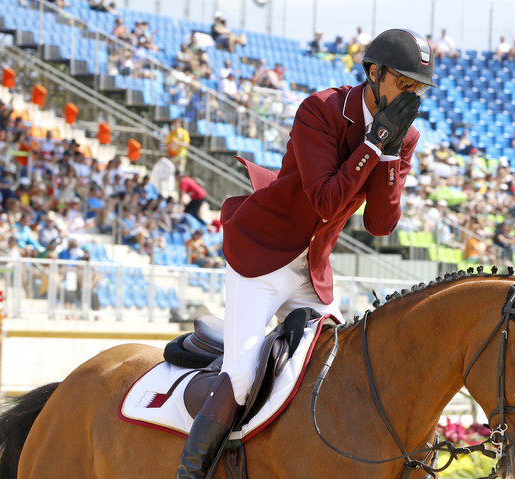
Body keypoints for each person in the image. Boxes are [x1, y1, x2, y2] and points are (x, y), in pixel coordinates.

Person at [175, 29, 430, 478]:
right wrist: (373, 146)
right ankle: (192, 471)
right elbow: (327, 202)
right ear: (374, 73)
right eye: (404, 82)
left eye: (418, 87)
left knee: (340, 370)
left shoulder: (402, 137)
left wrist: (390, 154)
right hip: (262, 256)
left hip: (311, 270)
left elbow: (380, 225)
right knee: (241, 377)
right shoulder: (322, 110)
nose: (412, 93)